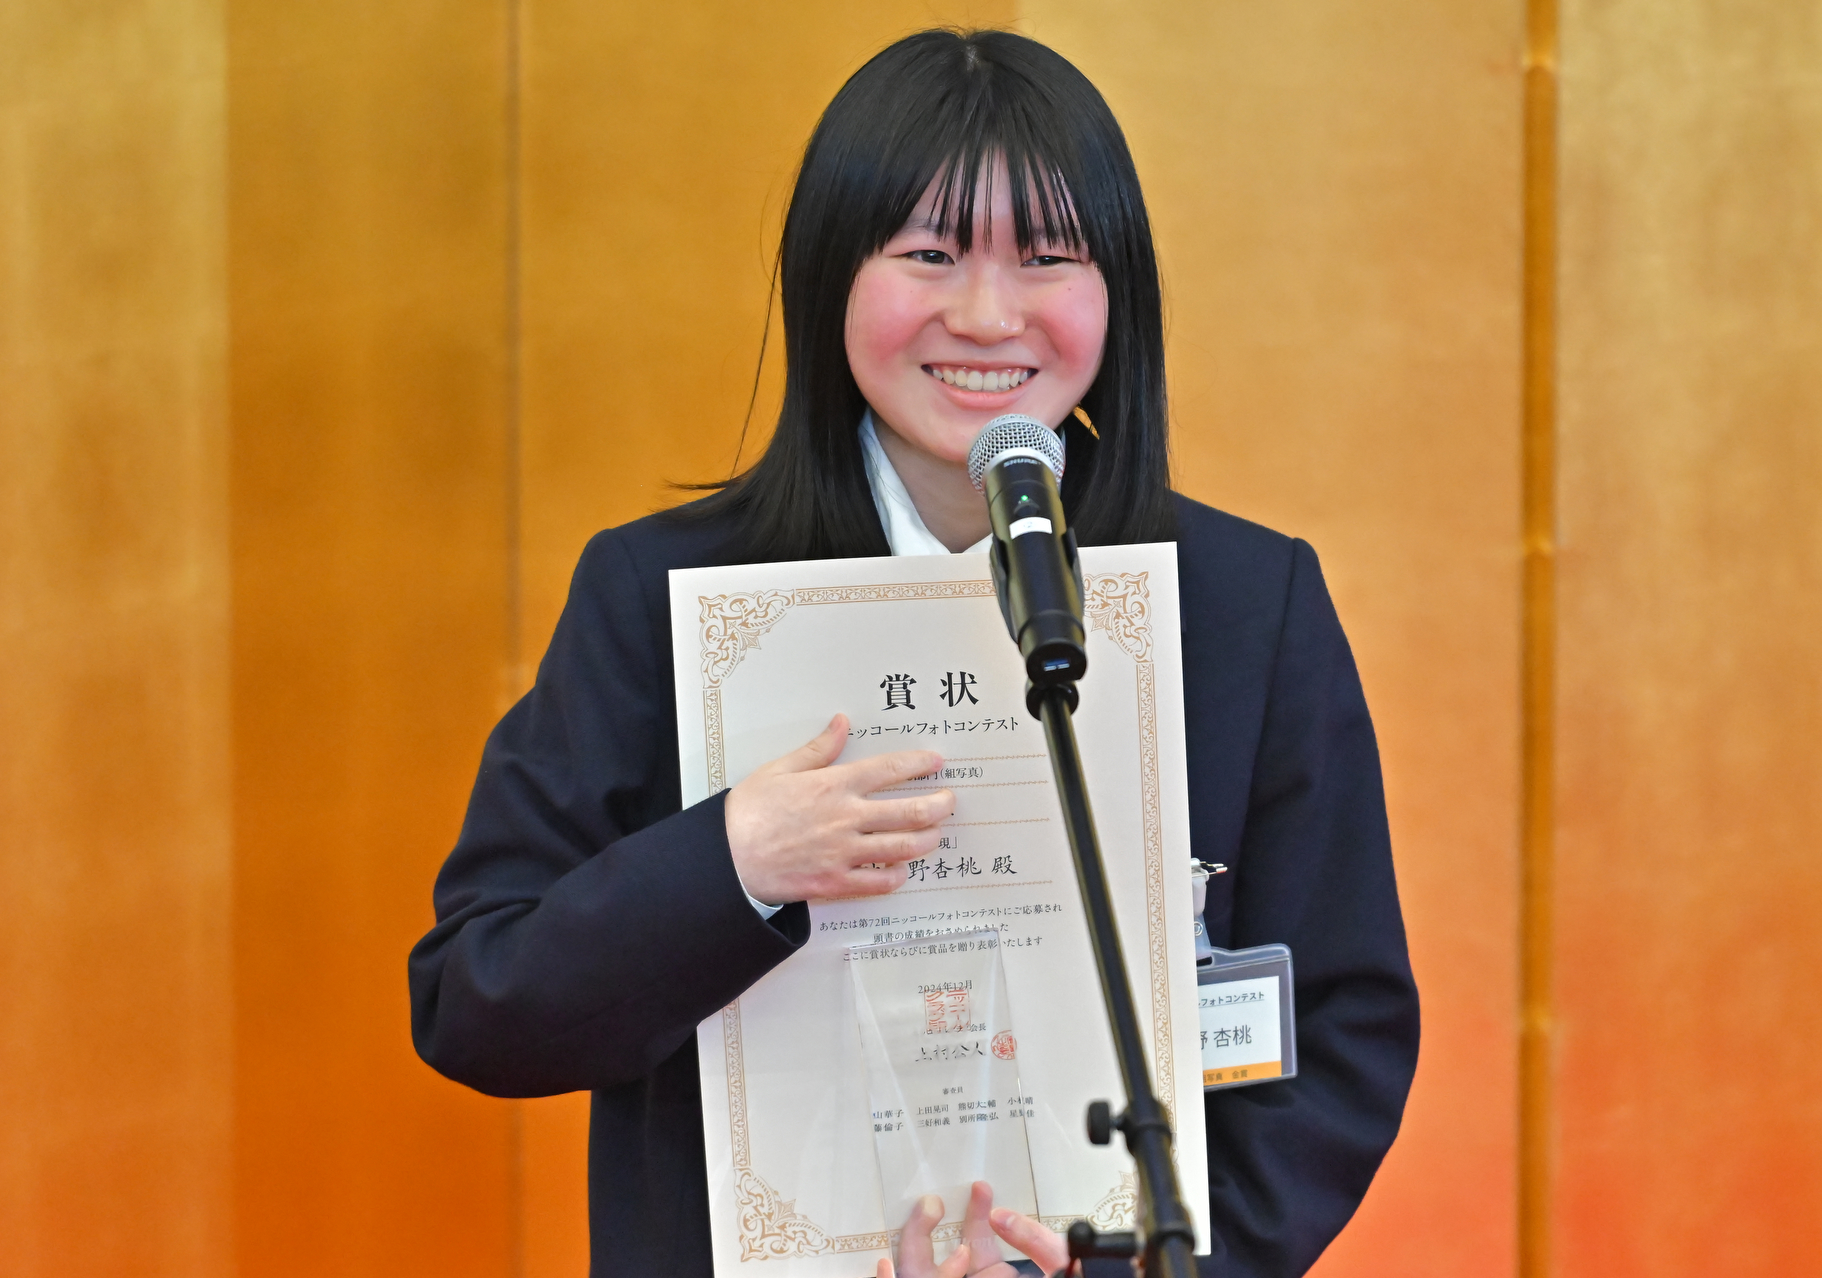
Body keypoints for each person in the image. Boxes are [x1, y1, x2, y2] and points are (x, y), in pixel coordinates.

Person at [409, 28, 1418, 1278]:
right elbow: (478, 1001)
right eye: (930, 254)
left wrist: (1124, 1270)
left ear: (1120, 293)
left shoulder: (1243, 603)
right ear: (834, 272)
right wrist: (734, 861)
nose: (987, 315)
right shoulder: (660, 592)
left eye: (1049, 258)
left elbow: (1343, 1026)